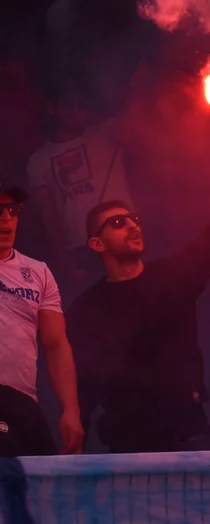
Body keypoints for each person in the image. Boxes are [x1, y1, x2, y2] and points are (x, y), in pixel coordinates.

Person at [65, 128, 210, 453]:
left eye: (133, 219)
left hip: (188, 432)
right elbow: (82, 380)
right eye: (117, 223)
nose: (132, 225)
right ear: (96, 244)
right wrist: (75, 429)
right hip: (128, 443)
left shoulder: (172, 276)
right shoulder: (88, 308)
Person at [0, 183, 83, 457]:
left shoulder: (38, 272)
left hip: (23, 402)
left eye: (13, 210)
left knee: (44, 488)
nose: (6, 218)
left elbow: (56, 345)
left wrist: (70, 411)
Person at [27, 88, 134, 291]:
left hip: (123, 233)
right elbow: (49, 217)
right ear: (52, 108)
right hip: (82, 248)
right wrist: (66, 263)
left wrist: (139, 88)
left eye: (81, 106)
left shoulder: (105, 133)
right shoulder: (39, 161)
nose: (75, 111)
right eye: (69, 105)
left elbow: (135, 125)